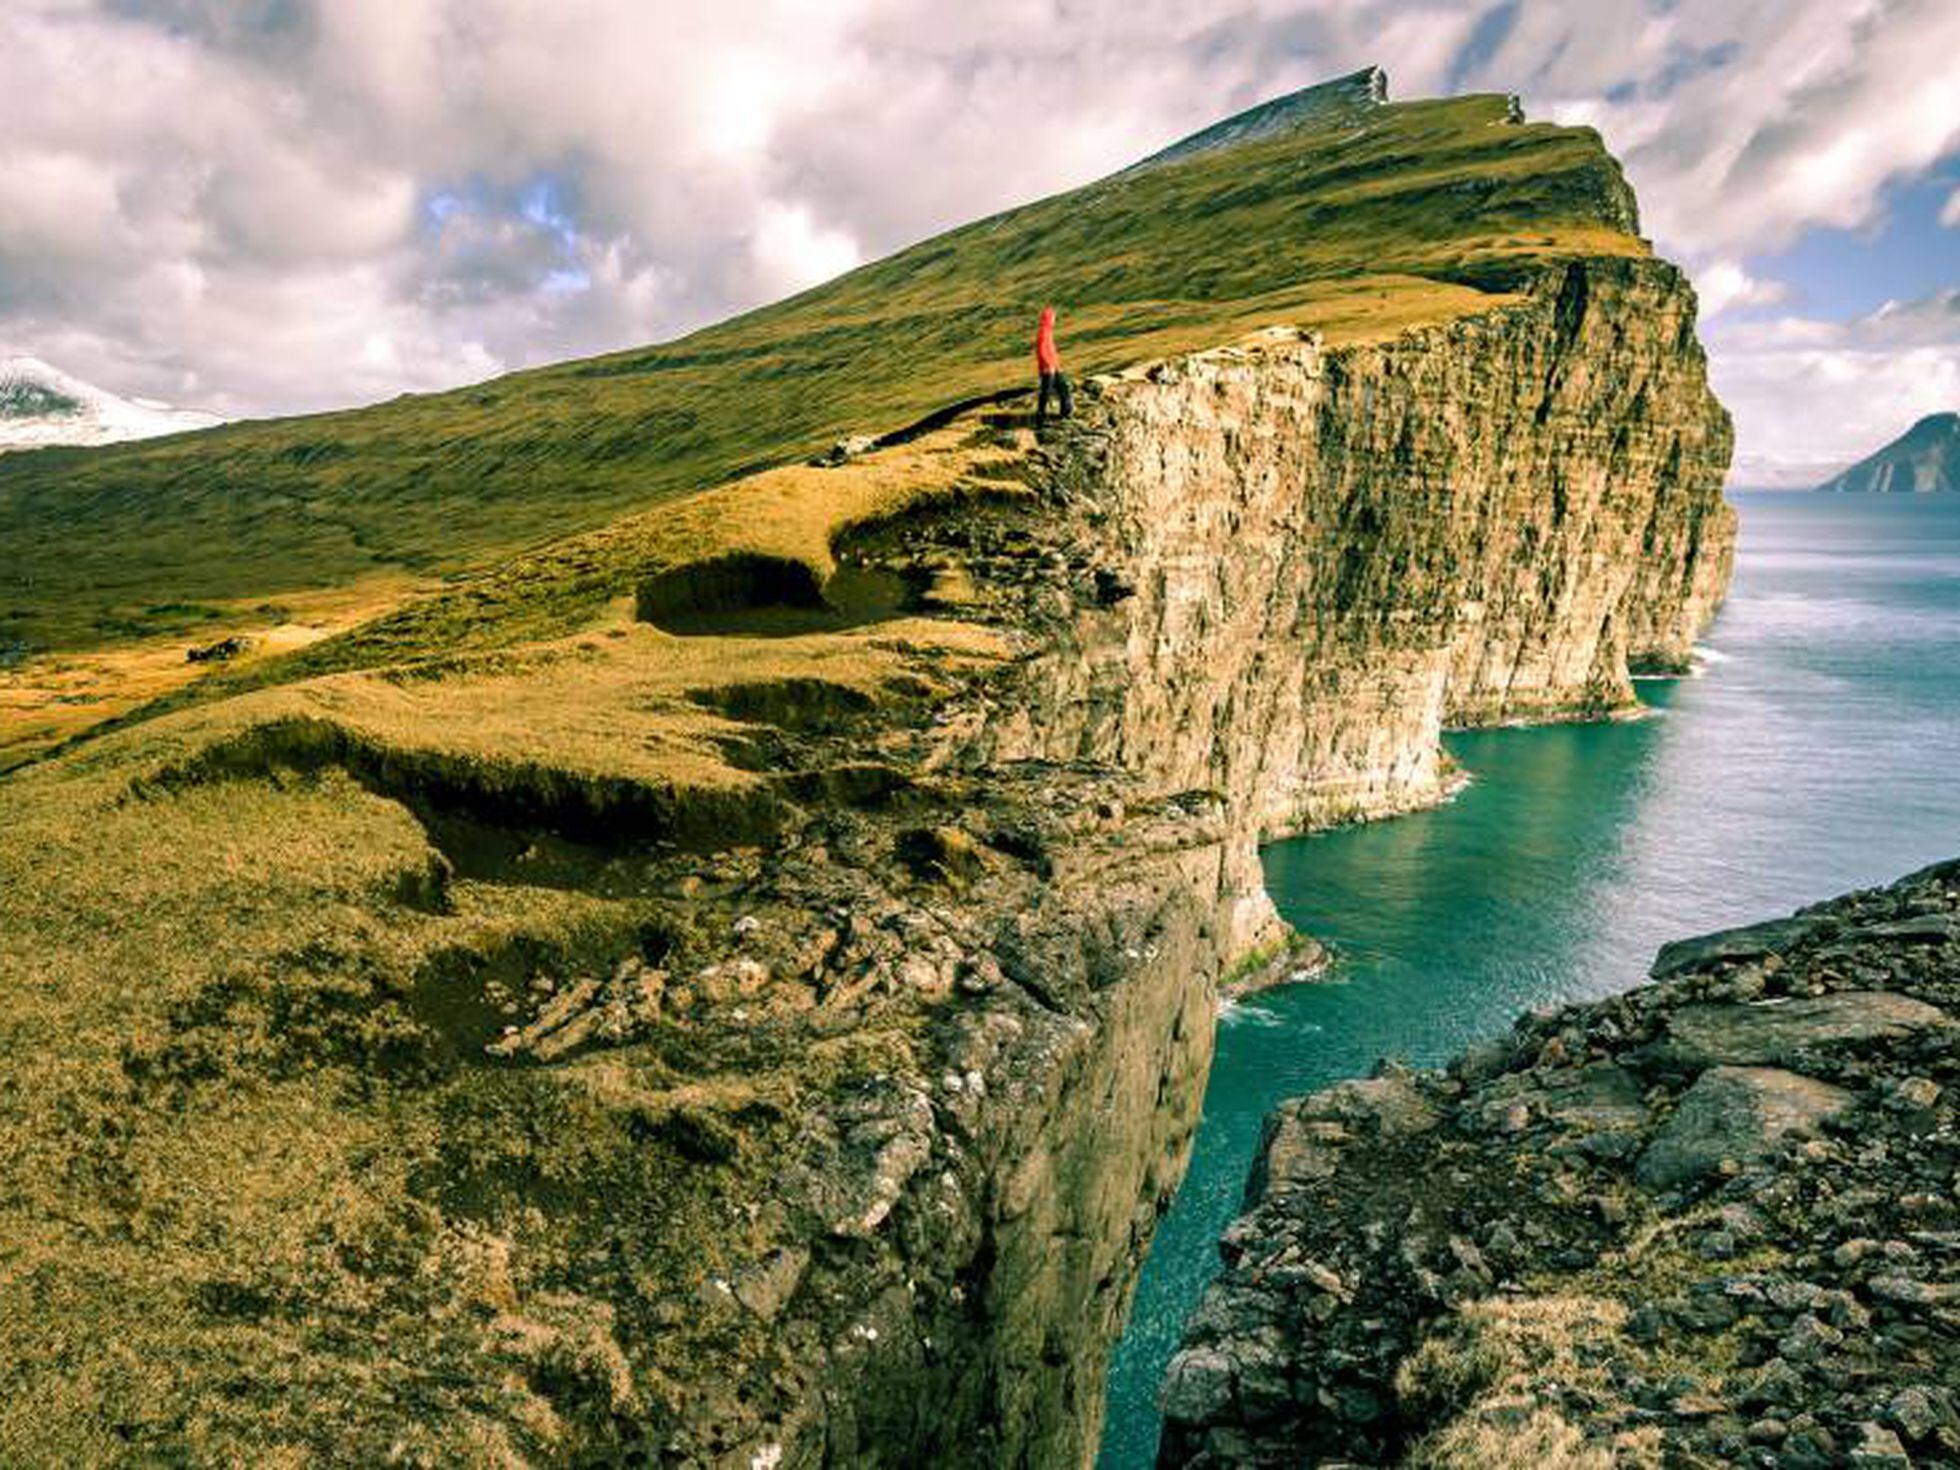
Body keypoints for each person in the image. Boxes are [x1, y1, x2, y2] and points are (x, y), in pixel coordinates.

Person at [1034, 305, 1073, 428]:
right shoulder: (1044, 332)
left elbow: (1051, 351)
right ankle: (1041, 417)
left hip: (1052, 367)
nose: (1054, 320)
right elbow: (1042, 350)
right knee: (1047, 392)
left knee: (1062, 388)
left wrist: (1056, 366)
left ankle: (1065, 413)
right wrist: (1049, 366)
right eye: (1052, 317)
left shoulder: (1047, 331)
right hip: (1048, 368)